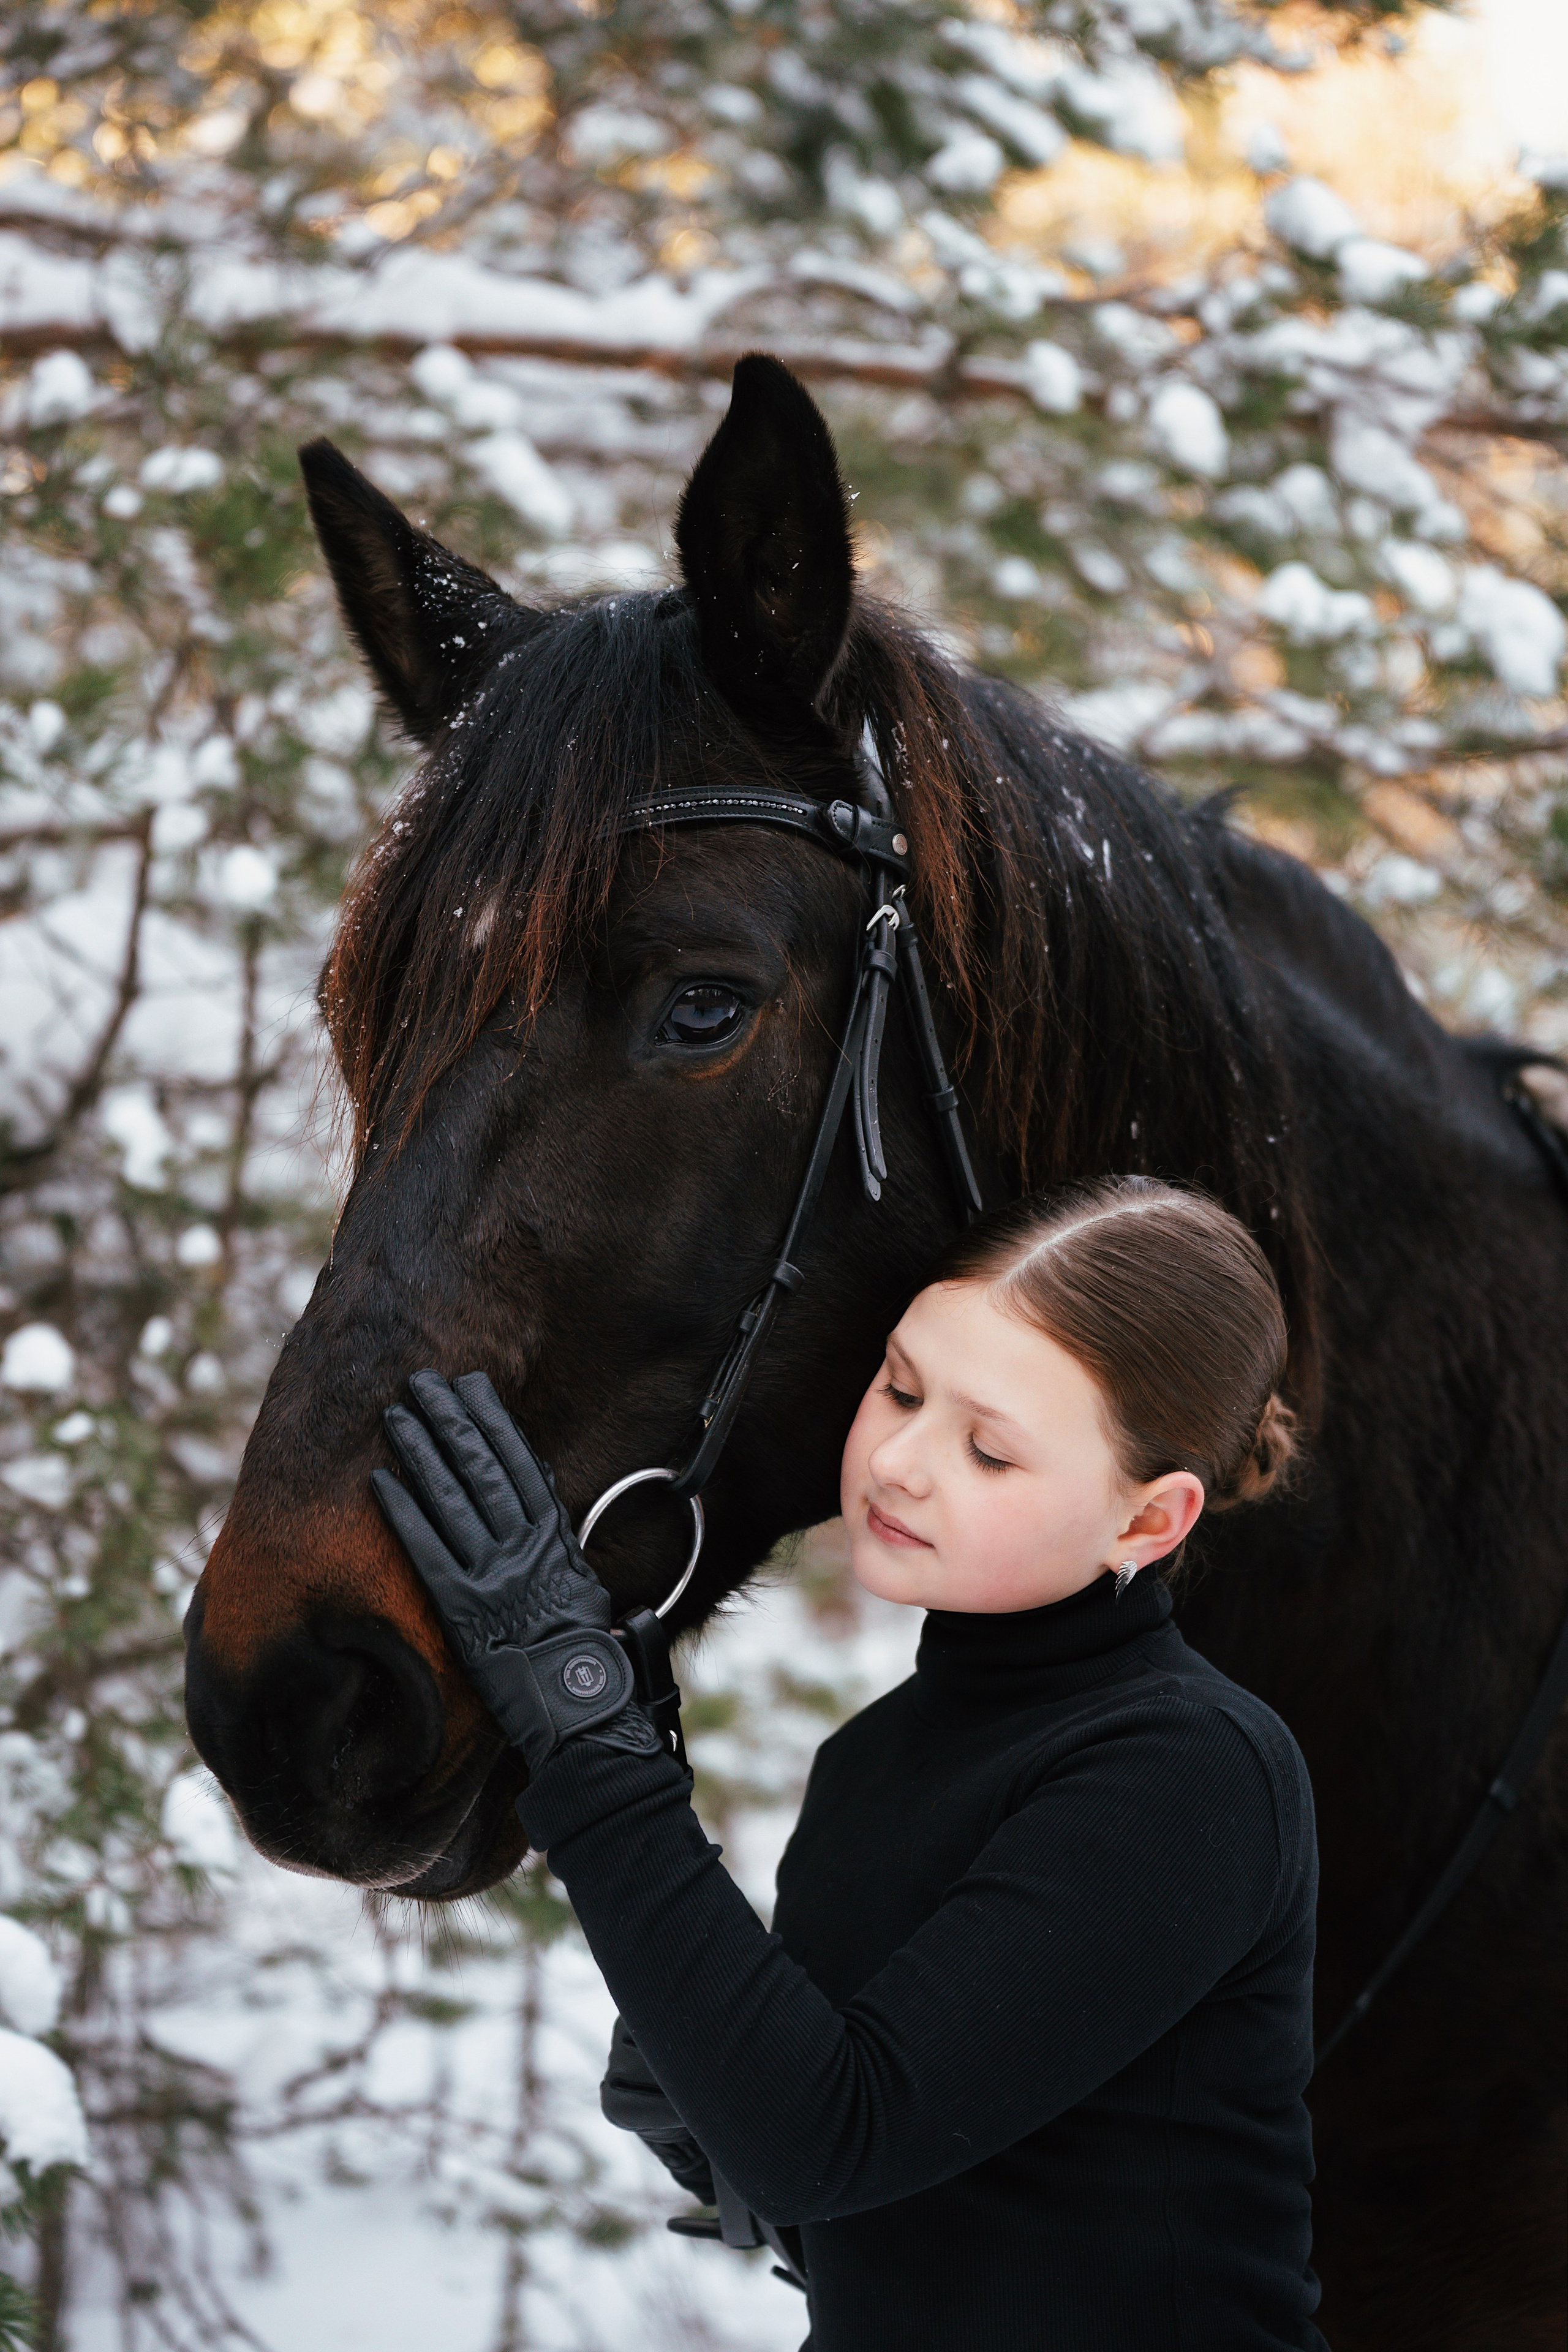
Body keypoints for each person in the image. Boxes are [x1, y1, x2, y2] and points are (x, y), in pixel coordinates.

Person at [372, 1175, 1327, 2351]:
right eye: (901, 1387)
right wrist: (720, 2107)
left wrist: (584, 1722)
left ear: (1149, 1522)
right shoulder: (873, 1757)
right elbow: (896, 2185)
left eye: (988, 1451)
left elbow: (836, 2139)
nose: (902, 1462)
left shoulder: (1193, 1774)